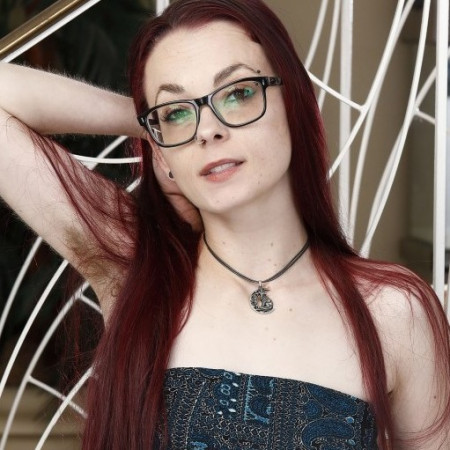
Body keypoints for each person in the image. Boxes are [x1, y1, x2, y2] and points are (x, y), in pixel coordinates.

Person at [0, 0, 449, 448]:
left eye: (237, 93)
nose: (207, 130)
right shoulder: (135, 270)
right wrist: (153, 129)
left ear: (294, 105)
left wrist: (171, 122)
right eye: (177, 112)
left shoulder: (395, 312)